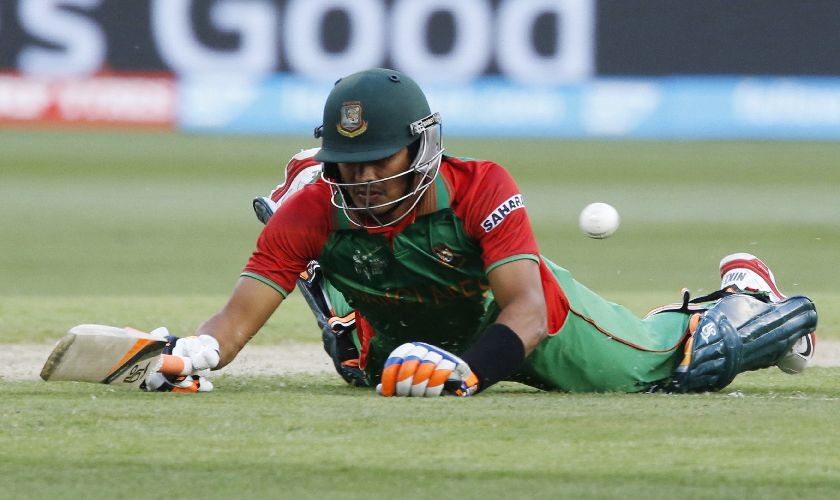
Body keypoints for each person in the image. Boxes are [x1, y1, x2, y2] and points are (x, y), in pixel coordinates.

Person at [144, 68, 817, 395]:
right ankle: (351, 318)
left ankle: (748, 297)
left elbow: (527, 309)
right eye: (349, 163)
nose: (365, 178)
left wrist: (469, 373)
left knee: (680, 368)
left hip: (524, 321)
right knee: (363, 367)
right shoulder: (312, 206)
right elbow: (236, 320)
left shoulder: (480, 187)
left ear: (420, 148)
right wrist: (194, 356)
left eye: (380, 160)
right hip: (412, 329)